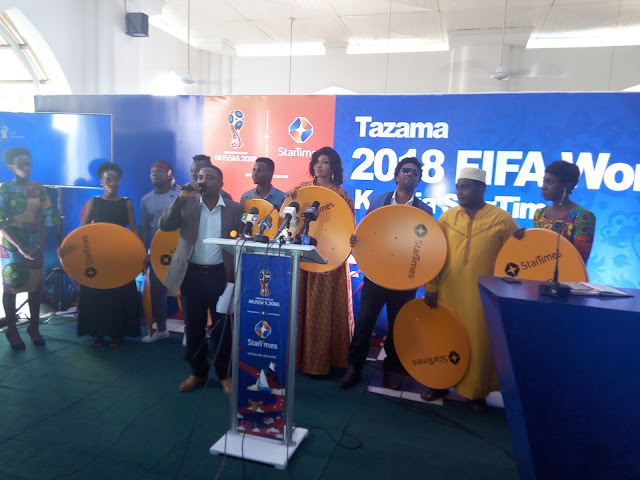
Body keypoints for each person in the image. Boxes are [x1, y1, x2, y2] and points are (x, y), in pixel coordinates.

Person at [422, 167, 518, 413]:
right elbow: (434, 253)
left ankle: (476, 392)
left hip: (482, 296)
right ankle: (440, 383)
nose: (459, 192)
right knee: (444, 338)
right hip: (448, 292)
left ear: (481, 188)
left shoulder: (502, 220)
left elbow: (514, 260)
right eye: (458, 187)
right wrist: (431, 286)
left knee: (478, 343)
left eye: (465, 187)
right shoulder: (447, 217)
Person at [339, 157, 433, 390]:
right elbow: (367, 233)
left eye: (415, 172)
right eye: (406, 170)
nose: (409, 174)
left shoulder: (425, 211)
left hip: (405, 279)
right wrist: (357, 240)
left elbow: (427, 246)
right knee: (365, 321)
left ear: (418, 180)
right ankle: (355, 367)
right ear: (396, 176)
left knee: (398, 326)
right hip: (376, 274)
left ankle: (391, 369)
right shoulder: (377, 201)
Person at [159, 165, 243, 394]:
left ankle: (225, 374)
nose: (203, 181)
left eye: (210, 177)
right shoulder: (187, 204)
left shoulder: (235, 208)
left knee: (222, 329)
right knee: (194, 327)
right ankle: (198, 372)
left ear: (221, 183)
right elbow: (164, 225)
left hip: (221, 276)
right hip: (191, 275)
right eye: (200, 177)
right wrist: (180, 199)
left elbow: (243, 240)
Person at [287, 146, 355, 376]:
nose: (319, 165)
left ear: (333, 167)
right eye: (316, 161)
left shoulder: (341, 195)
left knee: (321, 308)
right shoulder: (301, 190)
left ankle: (321, 362)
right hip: (303, 256)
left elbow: (347, 228)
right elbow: (290, 220)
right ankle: (297, 359)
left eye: (325, 161)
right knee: (300, 305)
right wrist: (290, 199)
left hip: (329, 259)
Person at [76, 162, 140, 347]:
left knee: (117, 294)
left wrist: (138, 253)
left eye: (116, 179)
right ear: (101, 182)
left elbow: (133, 229)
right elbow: (83, 230)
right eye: (108, 180)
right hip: (97, 256)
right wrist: (70, 249)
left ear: (120, 181)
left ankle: (116, 334)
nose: (112, 183)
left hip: (119, 256)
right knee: (97, 293)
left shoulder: (126, 203)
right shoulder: (93, 202)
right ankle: (97, 332)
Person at [0, 147, 54, 349]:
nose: (25, 167)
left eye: (28, 163)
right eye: (20, 164)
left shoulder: (40, 189)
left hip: (36, 244)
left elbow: (48, 218)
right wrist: (20, 246)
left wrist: (40, 244)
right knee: (11, 287)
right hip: (12, 246)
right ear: (10, 166)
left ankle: (34, 328)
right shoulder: (4, 189)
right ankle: (12, 330)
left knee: (35, 286)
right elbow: (1, 222)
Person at [514, 161, 596, 263]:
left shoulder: (583, 216)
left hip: (568, 272)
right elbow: (536, 252)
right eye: (544, 181)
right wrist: (524, 239)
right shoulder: (540, 214)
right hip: (539, 272)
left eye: (550, 182)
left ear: (567, 185)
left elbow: (579, 260)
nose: (544, 187)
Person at [139, 161, 181, 342]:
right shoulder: (146, 199)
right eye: (151, 172)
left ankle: (191, 332)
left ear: (169, 174)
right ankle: (161, 329)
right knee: (157, 290)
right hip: (156, 251)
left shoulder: (180, 196)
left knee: (185, 290)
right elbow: (144, 228)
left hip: (180, 249)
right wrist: (143, 252)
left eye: (158, 171)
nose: (154, 175)